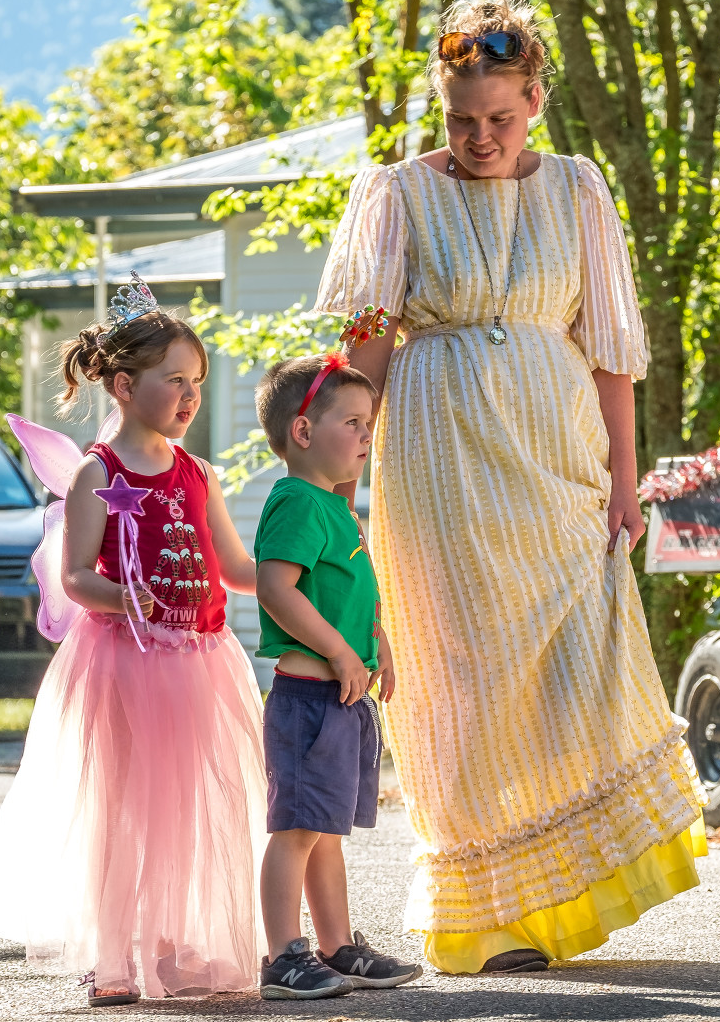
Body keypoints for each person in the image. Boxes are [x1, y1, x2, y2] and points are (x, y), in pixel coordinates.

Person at [316, 0, 707, 975]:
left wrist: (625, 480)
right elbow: (364, 354)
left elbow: (610, 349)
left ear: (535, 99)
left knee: (575, 660)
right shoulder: (397, 194)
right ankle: (487, 915)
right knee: (460, 678)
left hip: (556, 458)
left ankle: (562, 885)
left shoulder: (578, 189)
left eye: (499, 115)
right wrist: (333, 487)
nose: (480, 137)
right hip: (439, 462)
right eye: (461, 119)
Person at [0, 280, 266, 1007]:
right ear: (126, 386)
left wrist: (298, 580)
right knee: (125, 805)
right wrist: (119, 596)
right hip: (126, 661)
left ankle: (169, 945)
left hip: (199, 660)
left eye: (197, 381)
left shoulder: (199, 473)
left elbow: (234, 567)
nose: (191, 395)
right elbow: (76, 574)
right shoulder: (98, 472)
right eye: (176, 380)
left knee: (188, 806)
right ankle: (112, 955)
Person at [251, 353, 421, 1000]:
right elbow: (276, 588)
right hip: (307, 701)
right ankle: (283, 956)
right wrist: (340, 654)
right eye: (352, 422)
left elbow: (351, 594)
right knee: (297, 829)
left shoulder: (334, 507)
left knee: (325, 833)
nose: (365, 435)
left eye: (368, 423)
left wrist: (377, 646)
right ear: (302, 431)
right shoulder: (296, 501)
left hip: (340, 699)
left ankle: (336, 945)